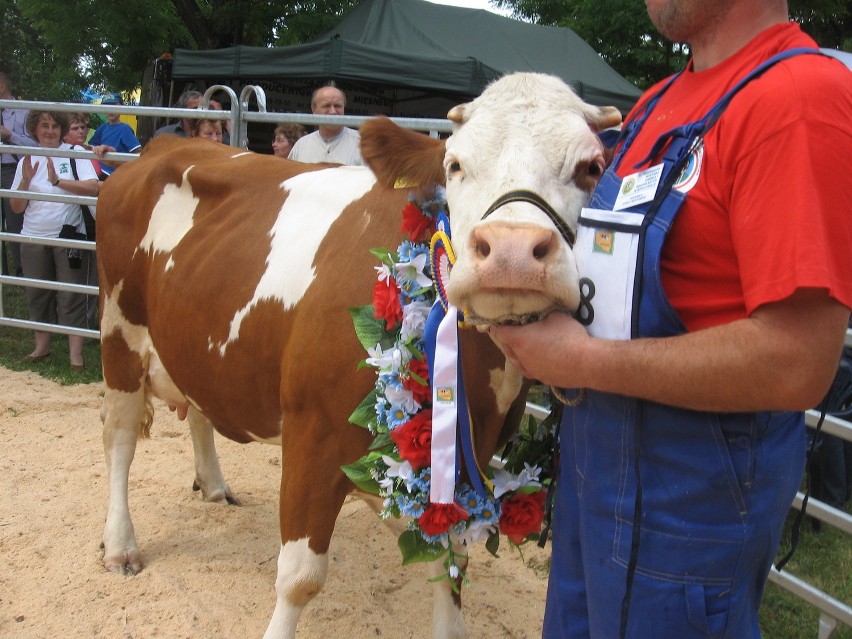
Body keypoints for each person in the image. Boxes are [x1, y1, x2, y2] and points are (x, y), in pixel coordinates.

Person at [489, 1, 852, 637]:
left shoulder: (798, 97)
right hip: (592, 467)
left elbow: (798, 363)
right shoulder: (657, 101)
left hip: (687, 505)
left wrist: (582, 361)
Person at [8, 111, 100, 371]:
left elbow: (93, 187)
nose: (49, 131)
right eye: (44, 126)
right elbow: (16, 207)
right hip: (32, 235)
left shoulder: (74, 153)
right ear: (34, 129)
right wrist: (25, 180)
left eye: (54, 126)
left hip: (68, 236)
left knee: (72, 294)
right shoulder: (26, 159)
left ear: (61, 128)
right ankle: (42, 347)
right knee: (38, 293)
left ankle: (76, 356)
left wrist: (58, 181)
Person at [64, 112, 102, 329]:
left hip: (94, 214)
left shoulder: (88, 151)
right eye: (75, 128)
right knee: (84, 270)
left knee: (92, 271)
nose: (81, 131)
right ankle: (84, 322)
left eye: (83, 127)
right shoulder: (73, 154)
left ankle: (87, 319)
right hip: (81, 217)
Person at [0, 71, 37, 276]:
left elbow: (35, 145)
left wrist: (10, 135)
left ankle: (23, 271)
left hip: (15, 169)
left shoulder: (26, 111)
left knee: (15, 222)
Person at [287, 83, 362, 165]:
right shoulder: (301, 145)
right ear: (314, 109)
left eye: (337, 106)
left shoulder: (362, 143)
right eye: (326, 106)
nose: (333, 111)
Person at [88, 95, 141, 177]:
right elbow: (91, 147)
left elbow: (138, 152)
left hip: (114, 173)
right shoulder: (103, 127)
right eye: (107, 106)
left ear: (121, 108)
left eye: (114, 106)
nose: (110, 110)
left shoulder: (125, 129)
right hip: (99, 169)